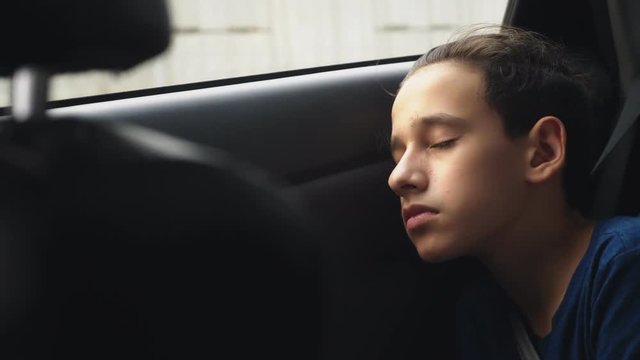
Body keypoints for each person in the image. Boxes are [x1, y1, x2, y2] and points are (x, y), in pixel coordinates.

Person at [386, 24, 640, 359]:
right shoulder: (481, 315)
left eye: (440, 142)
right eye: (398, 154)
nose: (398, 177)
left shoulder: (624, 265)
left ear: (542, 152)